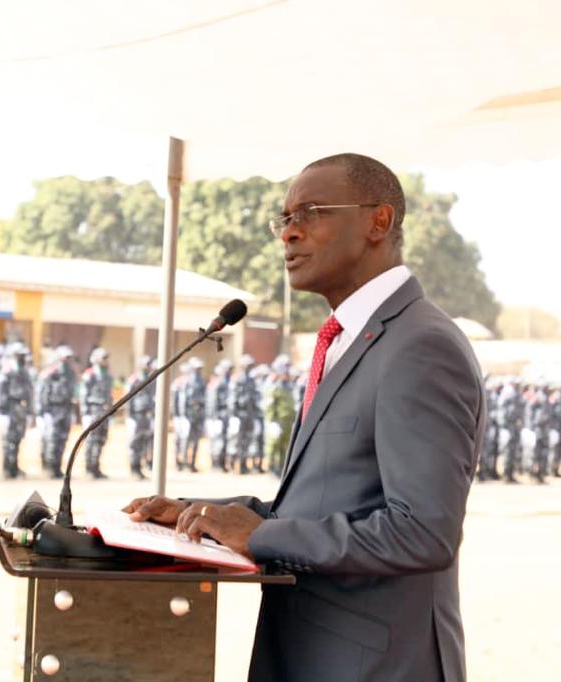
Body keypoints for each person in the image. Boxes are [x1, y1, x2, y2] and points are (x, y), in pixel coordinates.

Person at [124, 153, 484, 682]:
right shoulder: (348, 340)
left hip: (375, 666)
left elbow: (422, 532)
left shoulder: (420, 345)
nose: (288, 235)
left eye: (310, 212)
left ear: (377, 222)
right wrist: (200, 513)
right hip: (313, 652)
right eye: (284, 219)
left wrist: (262, 537)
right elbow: (325, 504)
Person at [36, 345, 77, 478]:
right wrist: (42, 412)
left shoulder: (71, 373)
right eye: (65, 357)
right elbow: (41, 392)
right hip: (52, 410)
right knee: (52, 439)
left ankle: (57, 467)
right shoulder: (50, 373)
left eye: (69, 358)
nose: (67, 360)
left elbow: (73, 392)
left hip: (66, 409)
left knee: (63, 439)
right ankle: (49, 467)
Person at [0, 342, 34, 479]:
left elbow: (30, 392)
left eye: (23, 355)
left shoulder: (25, 371)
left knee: (18, 439)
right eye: (20, 355)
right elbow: (1, 393)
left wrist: (30, 412)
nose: (22, 357)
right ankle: (8, 469)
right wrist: (2, 412)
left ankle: (15, 467)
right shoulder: (7, 372)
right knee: (8, 441)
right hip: (10, 409)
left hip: (21, 410)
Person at [79, 347, 113, 479]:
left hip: (104, 412)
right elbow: (83, 394)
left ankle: (96, 467)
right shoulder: (90, 374)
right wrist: (85, 413)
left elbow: (109, 395)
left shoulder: (108, 376)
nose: (106, 360)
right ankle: (89, 468)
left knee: (101, 440)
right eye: (103, 358)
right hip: (93, 410)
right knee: (91, 440)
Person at [125, 355, 156, 480]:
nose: (149, 367)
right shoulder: (134, 380)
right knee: (134, 443)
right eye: (147, 364)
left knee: (144, 442)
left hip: (147, 416)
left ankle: (140, 469)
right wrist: (130, 416)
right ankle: (134, 468)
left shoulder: (151, 380)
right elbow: (127, 399)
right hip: (136, 415)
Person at [176, 357, 205, 472]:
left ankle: (192, 463)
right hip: (188, 415)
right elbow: (182, 400)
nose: (198, 370)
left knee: (196, 440)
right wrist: (183, 415)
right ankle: (182, 463)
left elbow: (205, 398)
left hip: (198, 415)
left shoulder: (201, 381)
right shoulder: (186, 382)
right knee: (185, 440)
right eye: (196, 368)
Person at [205, 359, 232, 472]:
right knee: (216, 442)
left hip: (225, 416)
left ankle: (222, 463)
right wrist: (214, 418)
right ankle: (215, 464)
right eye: (227, 369)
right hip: (217, 416)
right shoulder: (216, 384)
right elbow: (212, 402)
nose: (229, 371)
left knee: (224, 441)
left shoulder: (228, 382)